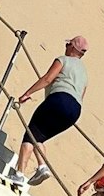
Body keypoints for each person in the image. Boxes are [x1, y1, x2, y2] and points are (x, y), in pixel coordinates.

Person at [14, 37, 89, 186]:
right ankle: (42, 166)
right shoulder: (84, 74)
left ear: (73, 48)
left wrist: (28, 93)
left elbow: (48, 79)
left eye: (68, 44)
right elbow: (81, 96)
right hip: (75, 111)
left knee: (30, 134)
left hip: (59, 99)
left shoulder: (63, 60)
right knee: (38, 136)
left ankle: (19, 174)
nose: (66, 46)